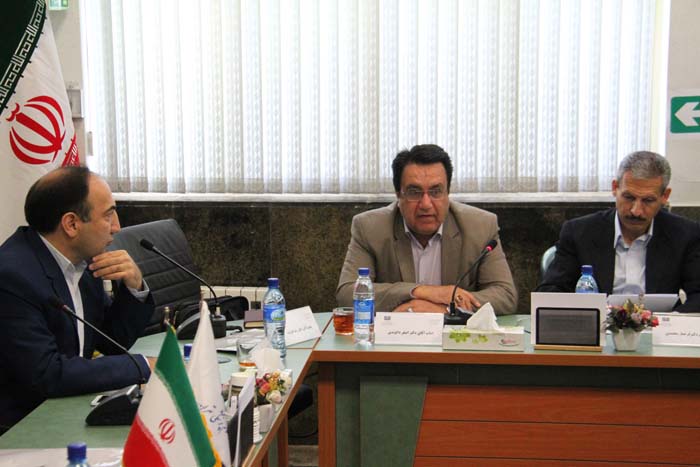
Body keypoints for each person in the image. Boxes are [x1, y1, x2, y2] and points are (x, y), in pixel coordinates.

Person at [0, 166, 154, 432]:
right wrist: (143, 365)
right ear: (71, 224)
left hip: (70, 409)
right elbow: (47, 374)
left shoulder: (84, 263)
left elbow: (111, 341)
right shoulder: (12, 277)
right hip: (21, 428)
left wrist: (134, 285)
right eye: (108, 215)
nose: (117, 227)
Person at [336, 144, 518, 314]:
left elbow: (505, 295)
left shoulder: (479, 226)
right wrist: (421, 291)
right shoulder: (370, 228)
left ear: (448, 193)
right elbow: (347, 293)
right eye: (414, 192)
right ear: (398, 195)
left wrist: (443, 309)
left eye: (436, 192)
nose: (425, 204)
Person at [538, 151, 700, 311]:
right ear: (615, 188)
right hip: (598, 325)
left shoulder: (685, 234)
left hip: (660, 324)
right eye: (629, 197)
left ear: (665, 196)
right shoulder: (579, 232)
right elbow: (550, 292)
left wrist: (670, 321)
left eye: (648, 200)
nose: (636, 211)